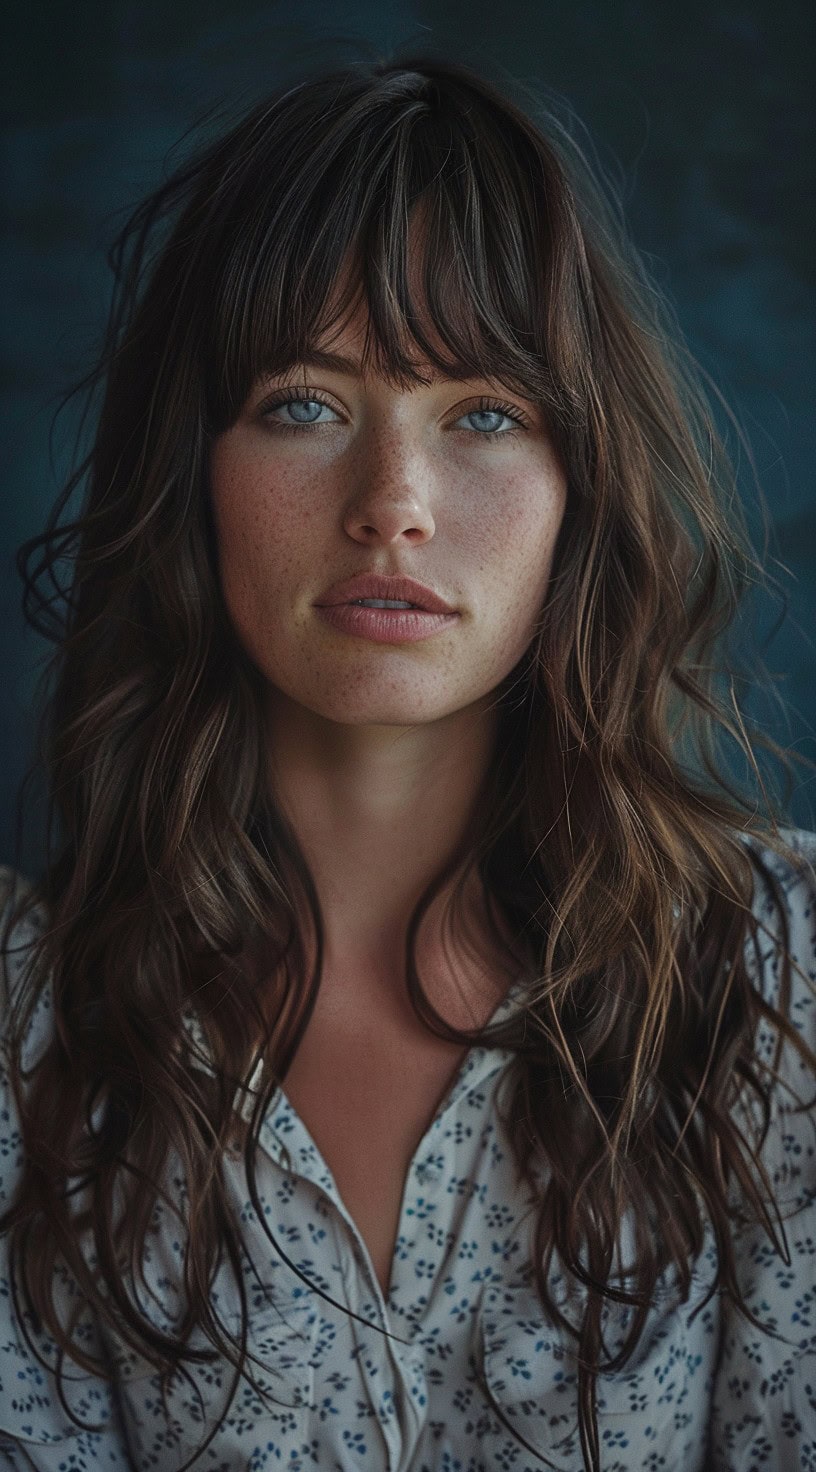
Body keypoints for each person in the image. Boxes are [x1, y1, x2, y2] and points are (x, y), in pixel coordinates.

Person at [1, 54, 814, 1472]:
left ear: (582, 488)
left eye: (485, 413)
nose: (394, 506)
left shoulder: (779, 971)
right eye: (304, 405)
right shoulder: (26, 1027)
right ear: (191, 470)